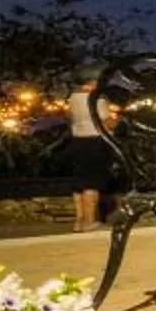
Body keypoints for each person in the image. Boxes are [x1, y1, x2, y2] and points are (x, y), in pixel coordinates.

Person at [64, 78, 110, 231]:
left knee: (79, 183)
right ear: (93, 82)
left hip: (77, 140)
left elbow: (69, 116)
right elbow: (105, 120)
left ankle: (79, 221)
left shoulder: (72, 97)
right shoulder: (97, 98)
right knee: (92, 182)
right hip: (94, 140)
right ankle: (90, 222)